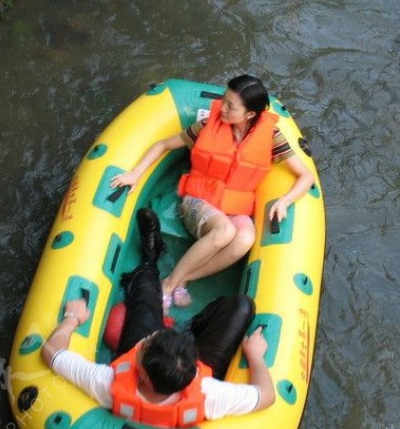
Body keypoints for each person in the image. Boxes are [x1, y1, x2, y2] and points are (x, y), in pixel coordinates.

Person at [40, 209, 275, 426]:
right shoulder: (211, 394)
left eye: (146, 343)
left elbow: (51, 352)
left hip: (161, 370)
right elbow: (266, 396)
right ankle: (156, 262)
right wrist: (255, 355)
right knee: (241, 306)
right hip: (179, 370)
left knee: (144, 296)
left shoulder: (107, 384)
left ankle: (149, 261)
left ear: (140, 373)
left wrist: (72, 317)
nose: (147, 339)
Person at [110, 74, 315, 310]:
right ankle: (168, 284)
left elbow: (305, 175)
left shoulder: (272, 136)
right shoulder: (209, 125)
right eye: (224, 100)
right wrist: (136, 172)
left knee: (245, 239)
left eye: (231, 106)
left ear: (250, 114)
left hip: (234, 206)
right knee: (224, 231)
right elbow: (164, 144)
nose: (223, 109)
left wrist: (285, 201)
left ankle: (184, 278)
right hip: (198, 199)